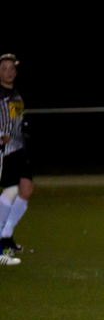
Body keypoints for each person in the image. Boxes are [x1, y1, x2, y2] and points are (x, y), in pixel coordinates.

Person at [0, 53, 31, 264]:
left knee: (25, 189)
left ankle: (6, 235)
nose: (8, 72)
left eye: (12, 68)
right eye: (4, 68)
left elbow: (16, 124)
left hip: (18, 150)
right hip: (4, 151)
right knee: (10, 192)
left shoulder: (16, 95)